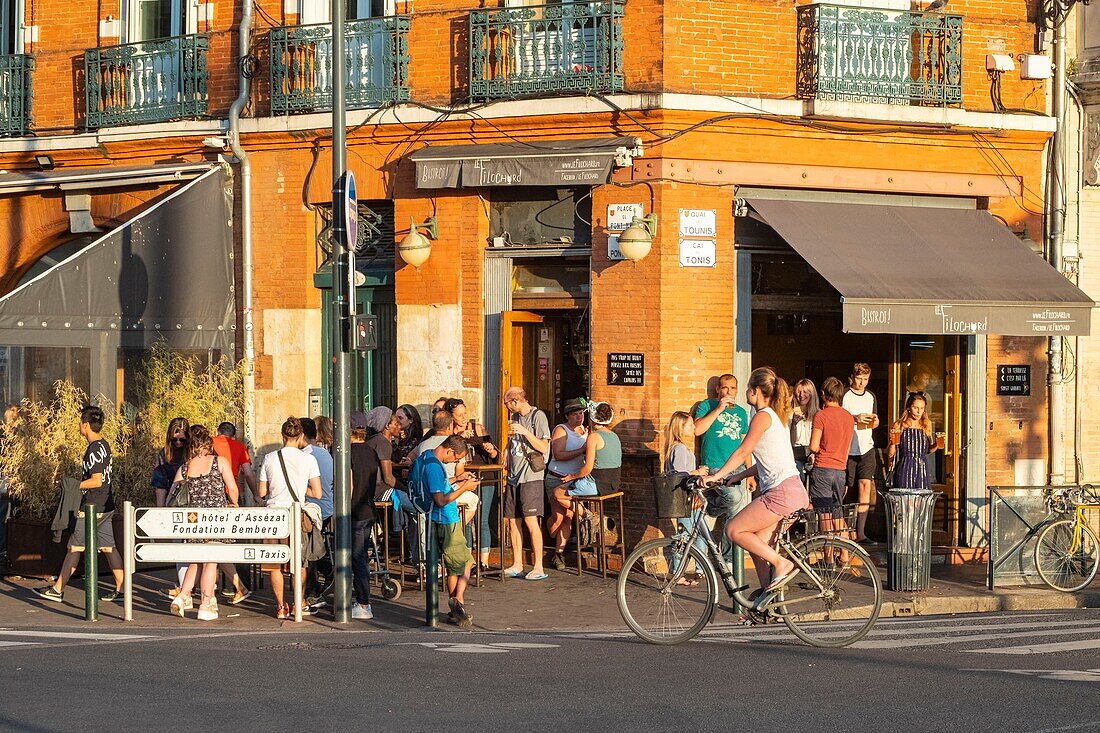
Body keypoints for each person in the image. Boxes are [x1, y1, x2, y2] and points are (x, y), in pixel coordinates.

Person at [707, 368, 809, 594]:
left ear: (755, 391)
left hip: (781, 493)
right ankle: (766, 599)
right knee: (757, 544)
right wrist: (737, 476)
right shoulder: (773, 415)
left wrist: (716, 475)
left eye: (746, 388)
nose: (744, 392)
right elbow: (763, 460)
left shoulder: (762, 416)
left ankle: (782, 564)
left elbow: (744, 450)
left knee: (734, 529)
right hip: (790, 490)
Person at [34, 406, 126, 604]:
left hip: (92, 506)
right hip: (106, 505)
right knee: (109, 547)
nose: (78, 425)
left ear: (85, 425)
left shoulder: (94, 449)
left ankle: (58, 589)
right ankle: (122, 589)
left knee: (74, 547)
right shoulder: (104, 444)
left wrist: (74, 486)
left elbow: (96, 480)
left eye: (79, 422)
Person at [169, 425, 241, 621]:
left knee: (197, 559)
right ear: (208, 443)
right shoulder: (220, 462)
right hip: (216, 519)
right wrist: (233, 503)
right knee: (210, 561)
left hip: (194, 522)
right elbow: (232, 489)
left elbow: (172, 495)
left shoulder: (185, 467)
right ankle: (206, 604)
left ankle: (183, 596)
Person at [257, 417, 323, 620]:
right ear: (301, 436)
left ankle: (280, 606)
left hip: (273, 517)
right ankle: (297, 602)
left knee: (274, 564)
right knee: (299, 563)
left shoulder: (269, 458)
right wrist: (300, 488)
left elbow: (261, 491)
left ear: (283, 436)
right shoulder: (309, 459)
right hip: (296, 514)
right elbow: (318, 493)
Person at [410, 434, 478, 628]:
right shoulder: (434, 466)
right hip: (446, 519)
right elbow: (440, 499)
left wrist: (457, 478)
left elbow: (438, 485)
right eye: (455, 458)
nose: (455, 461)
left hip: (439, 518)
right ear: (449, 450)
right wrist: (465, 487)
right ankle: (458, 601)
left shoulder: (426, 456)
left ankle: (455, 607)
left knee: (453, 566)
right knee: (465, 562)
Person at [552, 401, 622, 574]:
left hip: (595, 483)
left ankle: (588, 516)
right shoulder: (614, 436)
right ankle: (588, 516)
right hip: (613, 484)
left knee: (557, 493)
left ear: (592, 417)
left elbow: (587, 468)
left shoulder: (593, 437)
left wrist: (571, 477)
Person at [693, 374, 753, 560]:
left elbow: (745, 445)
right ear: (718, 389)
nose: (729, 392)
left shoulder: (742, 413)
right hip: (714, 467)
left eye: (733, 388)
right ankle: (711, 508)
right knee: (735, 498)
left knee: (735, 513)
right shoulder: (706, 405)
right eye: (725, 388)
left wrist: (749, 473)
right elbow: (697, 429)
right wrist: (718, 409)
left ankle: (728, 558)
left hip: (736, 469)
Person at [501, 386, 550, 581]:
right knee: (513, 520)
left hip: (531, 476)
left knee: (531, 520)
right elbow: (515, 441)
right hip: (514, 475)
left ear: (516, 401)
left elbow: (544, 447)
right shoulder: (515, 419)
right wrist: (506, 448)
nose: (507, 409)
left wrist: (524, 431)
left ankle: (538, 566)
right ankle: (517, 563)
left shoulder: (538, 416)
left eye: (507, 404)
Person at [447, 397, 500, 569]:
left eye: (465, 414)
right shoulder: (450, 433)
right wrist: (459, 437)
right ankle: (468, 559)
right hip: (464, 478)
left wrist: (491, 450)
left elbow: (495, 455)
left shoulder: (477, 428)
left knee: (482, 519)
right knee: (467, 519)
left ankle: (483, 561)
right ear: (451, 417)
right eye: (459, 415)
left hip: (485, 476)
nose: (463, 418)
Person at [212, 421, 256, 604]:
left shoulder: (209, 442)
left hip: (210, 496)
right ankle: (240, 584)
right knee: (234, 543)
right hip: (232, 496)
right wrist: (256, 495)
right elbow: (247, 473)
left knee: (211, 541)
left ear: (218, 431)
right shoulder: (240, 447)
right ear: (234, 434)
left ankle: (213, 588)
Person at [662, 411, 708, 582]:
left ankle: (700, 568)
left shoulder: (678, 447)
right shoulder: (679, 448)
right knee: (685, 534)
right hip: (684, 497)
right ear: (681, 428)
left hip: (689, 496)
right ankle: (677, 571)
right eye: (690, 425)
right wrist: (698, 472)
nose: (694, 427)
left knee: (698, 531)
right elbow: (680, 474)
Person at [808, 377, 855, 535]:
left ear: (822, 393)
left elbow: (813, 446)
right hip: (840, 469)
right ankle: (845, 552)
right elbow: (847, 448)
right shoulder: (849, 417)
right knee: (838, 514)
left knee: (825, 517)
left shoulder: (821, 416)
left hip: (823, 469)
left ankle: (828, 557)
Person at [545, 398, 588, 571]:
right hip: (557, 477)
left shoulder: (586, 431)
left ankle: (558, 553)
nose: (579, 417)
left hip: (575, 479)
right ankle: (547, 531)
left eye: (581, 413)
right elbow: (559, 454)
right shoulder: (561, 430)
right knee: (559, 518)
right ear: (567, 416)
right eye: (575, 414)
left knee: (569, 517)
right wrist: (582, 450)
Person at [349, 416, 382, 621]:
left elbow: (349, 486)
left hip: (354, 511)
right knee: (361, 556)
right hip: (369, 508)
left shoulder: (346, 453)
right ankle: (361, 600)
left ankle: (363, 603)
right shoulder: (371, 451)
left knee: (357, 557)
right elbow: (377, 481)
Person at [842, 363, 879, 543]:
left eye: (865, 379)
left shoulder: (871, 396)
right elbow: (838, 419)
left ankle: (861, 532)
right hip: (848, 448)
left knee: (865, 486)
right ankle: (845, 531)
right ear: (852, 377)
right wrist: (854, 418)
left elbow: (875, 419)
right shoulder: (845, 395)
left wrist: (875, 421)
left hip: (866, 446)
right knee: (847, 490)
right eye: (859, 378)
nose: (862, 382)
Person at [299, 417, 334, 604]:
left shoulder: (305, 456)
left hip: (312, 509)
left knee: (308, 550)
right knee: (314, 548)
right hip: (327, 508)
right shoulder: (325, 454)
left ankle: (313, 589)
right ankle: (324, 574)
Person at [888, 393, 939, 492]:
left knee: (922, 500)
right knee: (906, 500)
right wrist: (892, 442)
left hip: (922, 467)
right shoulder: (899, 425)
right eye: (915, 407)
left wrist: (937, 444)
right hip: (905, 466)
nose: (919, 411)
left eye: (922, 408)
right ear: (908, 408)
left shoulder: (926, 424)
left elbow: (928, 450)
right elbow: (891, 453)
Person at [790, 378, 819, 485]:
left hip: (812, 450)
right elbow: (790, 441)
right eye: (799, 392)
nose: (801, 395)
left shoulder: (818, 414)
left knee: (817, 475)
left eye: (805, 392)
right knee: (797, 476)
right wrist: (793, 424)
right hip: (795, 451)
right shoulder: (789, 413)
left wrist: (815, 454)